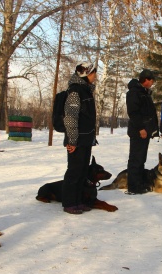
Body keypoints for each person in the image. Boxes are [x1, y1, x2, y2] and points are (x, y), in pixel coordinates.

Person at [62, 62, 97, 214]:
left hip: (85, 139)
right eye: (93, 73)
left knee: (82, 171)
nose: (95, 76)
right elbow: (70, 118)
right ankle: (69, 203)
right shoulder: (76, 91)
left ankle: (78, 200)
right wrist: (72, 141)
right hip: (76, 141)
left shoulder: (86, 90)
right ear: (85, 74)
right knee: (74, 172)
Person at [126, 69, 159, 195]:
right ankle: (133, 186)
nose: (152, 83)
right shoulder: (134, 93)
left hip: (146, 131)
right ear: (145, 79)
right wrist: (141, 128)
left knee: (141, 158)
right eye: (151, 81)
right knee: (135, 159)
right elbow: (133, 113)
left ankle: (139, 183)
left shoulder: (144, 92)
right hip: (138, 131)